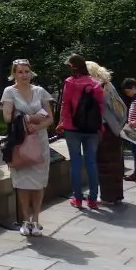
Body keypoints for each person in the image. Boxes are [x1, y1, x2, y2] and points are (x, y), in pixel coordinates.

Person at [0, 59, 54, 236]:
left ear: (31, 73)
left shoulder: (40, 92)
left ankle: (36, 220)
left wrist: (37, 126)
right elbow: (7, 118)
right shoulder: (9, 91)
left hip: (39, 142)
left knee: (38, 183)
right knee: (22, 183)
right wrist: (27, 119)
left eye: (26, 71)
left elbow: (50, 119)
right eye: (20, 72)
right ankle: (25, 220)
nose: (24, 75)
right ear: (14, 74)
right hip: (20, 142)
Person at [58, 54, 104, 209]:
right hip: (92, 129)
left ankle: (77, 198)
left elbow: (65, 105)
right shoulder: (96, 84)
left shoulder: (70, 83)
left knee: (76, 163)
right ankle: (92, 199)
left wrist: (62, 123)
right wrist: (100, 128)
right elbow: (100, 108)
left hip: (72, 128)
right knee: (91, 163)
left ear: (73, 66)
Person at [86, 62, 126, 205]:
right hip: (112, 129)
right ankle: (116, 195)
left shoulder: (96, 87)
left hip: (102, 128)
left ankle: (107, 197)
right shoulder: (108, 85)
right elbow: (121, 109)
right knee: (115, 163)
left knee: (103, 163)